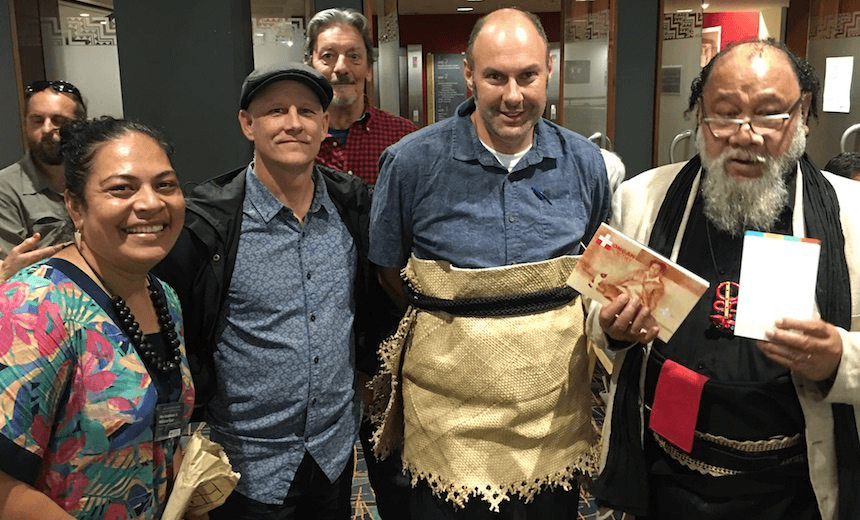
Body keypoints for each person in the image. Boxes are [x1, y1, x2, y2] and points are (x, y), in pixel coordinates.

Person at [589, 39, 860, 520]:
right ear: (699, 117)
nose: (746, 135)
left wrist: (840, 358)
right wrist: (613, 329)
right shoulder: (642, 200)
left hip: (792, 487)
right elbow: (596, 321)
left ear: (801, 116)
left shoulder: (853, 218)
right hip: (667, 477)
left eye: (770, 115)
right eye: (725, 114)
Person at [368, 8, 610, 518]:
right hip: (448, 421)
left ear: (550, 70)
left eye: (528, 76)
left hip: (552, 418)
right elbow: (390, 273)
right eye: (495, 76)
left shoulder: (586, 165)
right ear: (468, 73)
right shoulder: (410, 162)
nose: (513, 95)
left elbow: (596, 271)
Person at [153, 63, 391, 520]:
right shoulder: (208, 222)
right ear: (248, 123)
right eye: (276, 111)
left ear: (324, 124)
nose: (293, 123)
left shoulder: (352, 205)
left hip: (332, 452)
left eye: (307, 111)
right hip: (246, 463)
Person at [0, 116, 194, 519]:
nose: (150, 203)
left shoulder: (163, 297)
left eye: (165, 185)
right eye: (121, 188)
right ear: (75, 205)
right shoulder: (36, 306)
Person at [306, 8, 417, 185]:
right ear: (311, 68)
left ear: (369, 69)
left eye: (354, 56)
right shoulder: (294, 138)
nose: (341, 68)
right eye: (328, 56)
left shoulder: (404, 138)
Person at [0, 80, 87, 260]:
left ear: (80, 126)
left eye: (59, 120)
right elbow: (14, 270)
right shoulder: (6, 188)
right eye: (37, 120)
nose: (47, 129)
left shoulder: (97, 177)